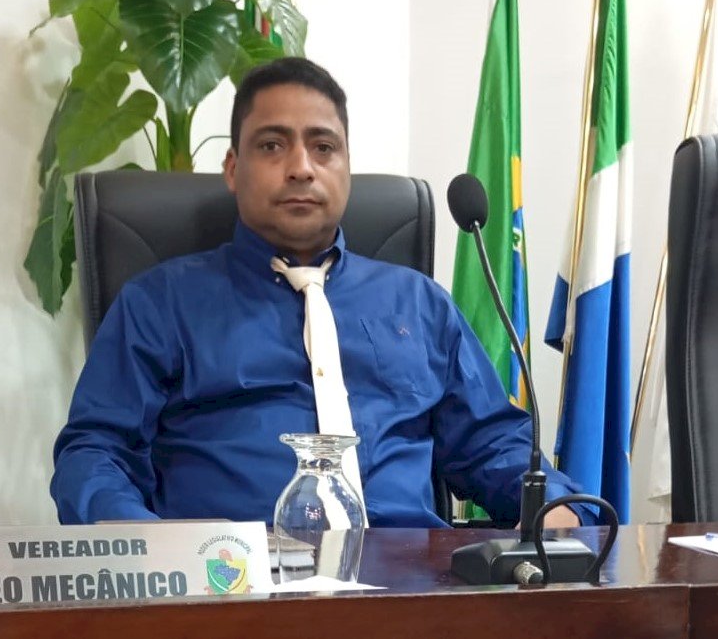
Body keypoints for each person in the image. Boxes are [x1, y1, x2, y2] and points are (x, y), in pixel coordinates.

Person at [51, 57, 589, 529]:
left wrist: (556, 509)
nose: (302, 168)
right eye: (272, 145)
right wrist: (139, 539)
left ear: (347, 167)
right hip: (231, 579)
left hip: (409, 582)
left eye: (324, 147)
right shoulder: (160, 304)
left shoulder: (419, 305)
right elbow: (96, 452)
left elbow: (490, 443)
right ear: (233, 170)